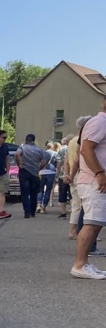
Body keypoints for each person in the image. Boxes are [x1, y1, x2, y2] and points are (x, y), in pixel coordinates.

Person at [70, 97, 106, 279]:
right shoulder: (99, 122)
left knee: (96, 223)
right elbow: (86, 150)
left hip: (96, 180)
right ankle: (80, 265)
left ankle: (84, 263)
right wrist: (99, 173)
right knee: (91, 223)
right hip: (93, 180)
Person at [15, 132, 47, 218]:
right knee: (34, 193)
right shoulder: (39, 149)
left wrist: (19, 164)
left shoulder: (22, 147)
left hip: (24, 171)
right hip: (35, 173)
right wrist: (38, 169)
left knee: (25, 193)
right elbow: (43, 162)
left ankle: (27, 212)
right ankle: (33, 212)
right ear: (34, 140)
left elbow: (17, 154)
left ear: (26, 140)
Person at [36, 141, 58, 213]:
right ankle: (44, 207)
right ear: (52, 147)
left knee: (40, 189)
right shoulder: (55, 153)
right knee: (48, 190)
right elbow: (57, 164)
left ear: (46, 147)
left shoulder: (42, 153)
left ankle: (38, 204)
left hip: (42, 172)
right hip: (51, 172)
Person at [57, 136, 72, 218]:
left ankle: (63, 212)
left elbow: (59, 164)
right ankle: (74, 211)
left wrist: (57, 173)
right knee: (72, 194)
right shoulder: (76, 149)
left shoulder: (62, 151)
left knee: (62, 193)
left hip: (63, 175)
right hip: (73, 174)